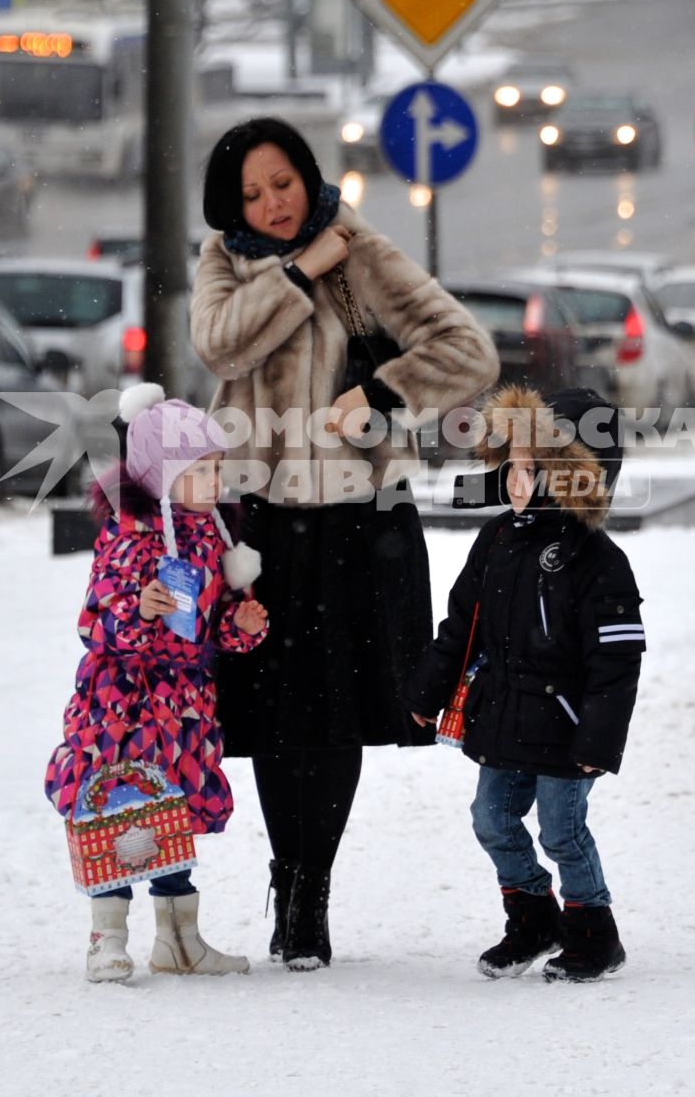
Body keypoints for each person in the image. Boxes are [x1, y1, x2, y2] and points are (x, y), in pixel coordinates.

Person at [190, 116, 499, 970]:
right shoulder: (223, 262)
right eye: (252, 192)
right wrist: (297, 273)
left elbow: (467, 348)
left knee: (330, 717)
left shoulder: (358, 245)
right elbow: (218, 342)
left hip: (358, 522)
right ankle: (285, 876)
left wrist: (384, 398)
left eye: (282, 182)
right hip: (257, 524)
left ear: (306, 174)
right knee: (268, 714)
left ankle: (309, 901)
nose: (273, 203)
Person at [403, 384, 645, 983]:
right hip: (504, 714)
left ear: (571, 476)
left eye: (532, 469)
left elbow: (617, 662)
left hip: (565, 728)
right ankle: (533, 917)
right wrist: (425, 693)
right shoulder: (498, 541)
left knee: (562, 831)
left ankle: (593, 932)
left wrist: (599, 741)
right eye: (510, 465)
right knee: (492, 819)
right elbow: (461, 626)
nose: (515, 481)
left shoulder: (597, 560)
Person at [43, 384, 269, 983]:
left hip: (182, 705)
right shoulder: (128, 536)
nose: (214, 482)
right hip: (121, 705)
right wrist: (138, 613)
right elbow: (96, 620)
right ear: (160, 475)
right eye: (199, 471)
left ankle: (178, 939)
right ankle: (107, 937)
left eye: (218, 468)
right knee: (122, 813)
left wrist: (239, 625)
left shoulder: (211, 535)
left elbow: (208, 627)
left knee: (172, 812)